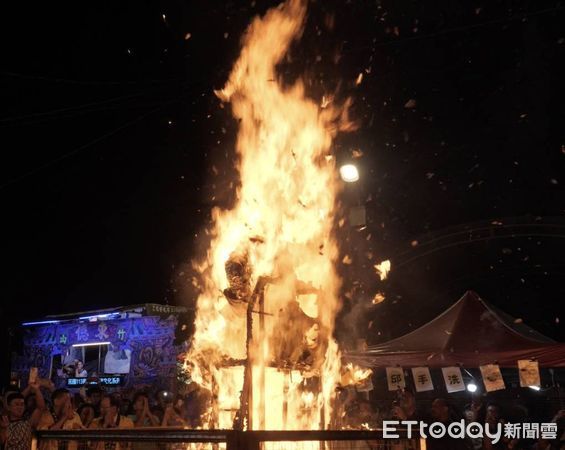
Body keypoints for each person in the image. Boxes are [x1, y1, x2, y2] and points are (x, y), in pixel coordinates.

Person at [0, 382, 45, 450]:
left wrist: (36, 389)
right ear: (9, 407)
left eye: (22, 404)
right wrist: (4, 429)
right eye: (17, 404)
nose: (20, 407)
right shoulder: (3, 422)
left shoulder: (28, 423)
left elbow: (40, 408)